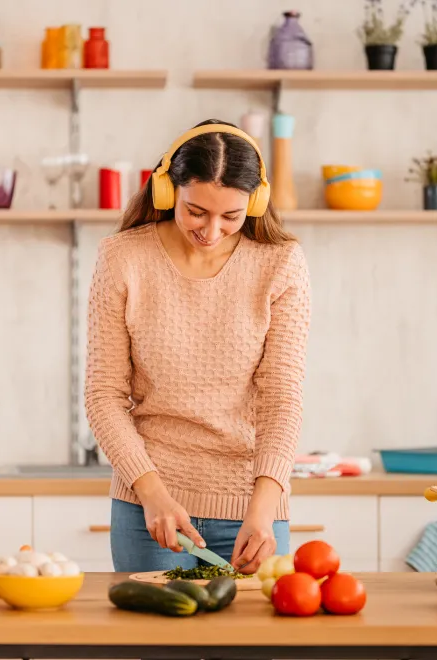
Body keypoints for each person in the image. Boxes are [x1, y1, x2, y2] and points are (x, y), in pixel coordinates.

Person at [84, 119, 311, 574]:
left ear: (255, 203)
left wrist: (264, 509)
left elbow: (281, 399)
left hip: (254, 511)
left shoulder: (281, 264)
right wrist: (152, 495)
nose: (211, 230)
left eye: (231, 216)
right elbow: (104, 396)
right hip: (149, 510)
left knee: (254, 646)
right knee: (160, 645)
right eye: (195, 212)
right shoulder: (122, 258)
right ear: (167, 192)